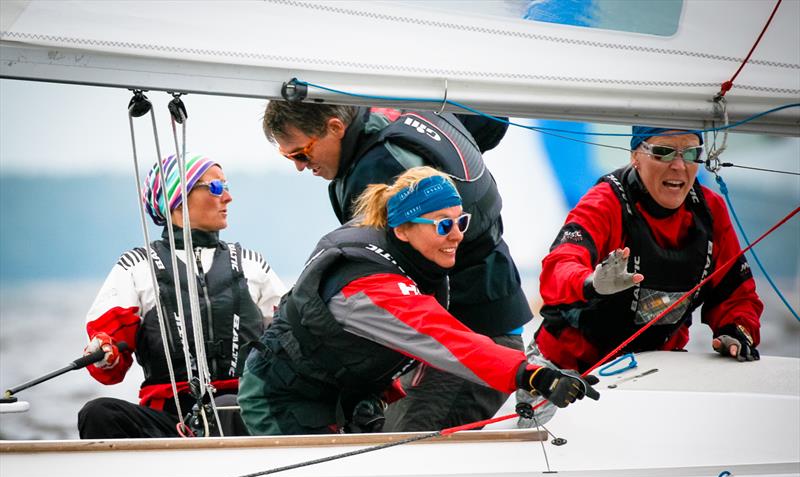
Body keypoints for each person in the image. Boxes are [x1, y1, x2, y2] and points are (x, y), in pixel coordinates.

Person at [238, 167, 599, 436]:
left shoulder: (409, 260)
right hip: (281, 398)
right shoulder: (369, 286)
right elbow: (445, 338)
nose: (458, 235)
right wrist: (529, 373)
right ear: (402, 229)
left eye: (462, 222)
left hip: (336, 394)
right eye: (443, 225)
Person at [261, 102, 532, 431]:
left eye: (301, 154)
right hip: (475, 322)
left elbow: (386, 288)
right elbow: (490, 120)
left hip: (467, 337)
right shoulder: (405, 111)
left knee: (407, 456)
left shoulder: (378, 168)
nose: (301, 167)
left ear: (334, 128)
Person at [78, 153, 287, 439]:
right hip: (169, 421)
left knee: (227, 406)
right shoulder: (136, 268)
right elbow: (109, 372)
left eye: (227, 187)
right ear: (177, 199)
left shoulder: (253, 265)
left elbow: (290, 335)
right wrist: (104, 352)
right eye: (215, 188)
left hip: (243, 411)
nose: (227, 197)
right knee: (97, 413)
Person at [533, 125, 764, 375]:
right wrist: (590, 283)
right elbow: (558, 267)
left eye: (690, 154)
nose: (678, 165)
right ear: (635, 157)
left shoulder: (710, 211)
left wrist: (737, 329)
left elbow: (735, 294)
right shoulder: (604, 203)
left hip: (650, 371)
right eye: (663, 152)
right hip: (566, 369)